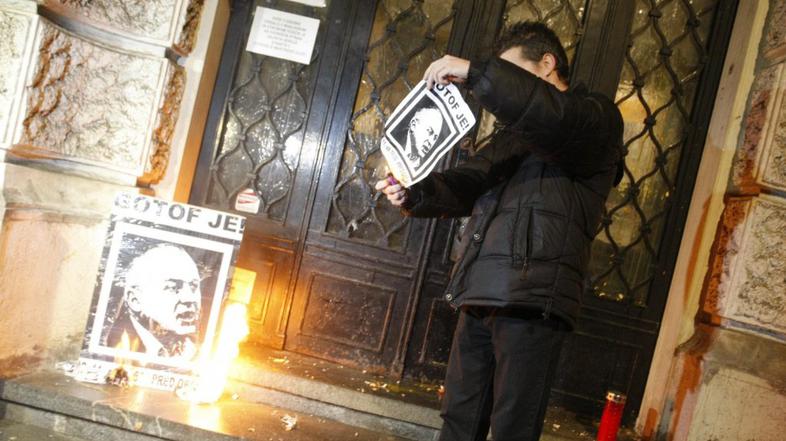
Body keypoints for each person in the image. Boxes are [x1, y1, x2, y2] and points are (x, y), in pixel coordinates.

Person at [376, 21, 624, 441]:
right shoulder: (514, 136)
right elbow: (469, 181)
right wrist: (414, 192)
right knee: (458, 418)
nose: (504, 87)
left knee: (512, 429)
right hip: (480, 290)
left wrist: (478, 73)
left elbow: (552, 118)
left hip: (532, 299)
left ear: (547, 64)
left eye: (513, 72)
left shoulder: (594, 118)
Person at [105, 244, 202, 361]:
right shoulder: (111, 350)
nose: (189, 298)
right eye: (172, 287)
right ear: (135, 300)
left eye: (194, 286)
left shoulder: (194, 350)